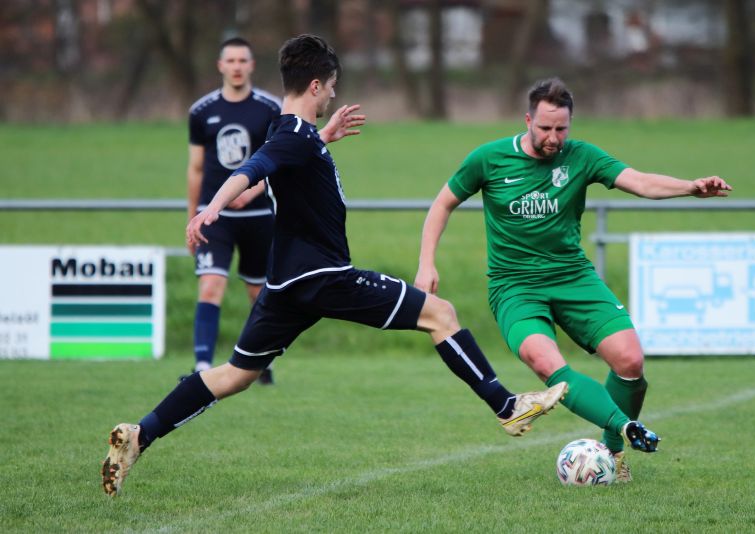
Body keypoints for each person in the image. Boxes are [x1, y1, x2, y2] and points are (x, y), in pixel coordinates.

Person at [101, 35, 568, 497]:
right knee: (440, 314)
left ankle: (141, 434)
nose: (333, 94)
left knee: (236, 375)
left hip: (285, 285)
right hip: (323, 276)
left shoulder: (291, 132)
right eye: (331, 86)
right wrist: (211, 209)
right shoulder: (291, 135)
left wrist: (324, 138)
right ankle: (506, 406)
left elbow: (282, 162)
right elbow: (251, 170)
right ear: (315, 86)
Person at [415, 77, 731, 483]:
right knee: (544, 361)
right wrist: (427, 263)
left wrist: (690, 187)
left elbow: (638, 181)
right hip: (515, 287)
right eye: (545, 128)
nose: (553, 137)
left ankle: (613, 453)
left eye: (561, 128)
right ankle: (625, 429)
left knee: (630, 361)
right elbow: (442, 204)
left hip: (573, 277)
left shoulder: (581, 156)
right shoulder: (489, 159)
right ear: (527, 120)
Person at [187, 37, 364, 385]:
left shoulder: (272, 109)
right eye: (230, 60)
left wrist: (322, 137)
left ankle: (254, 363)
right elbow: (241, 167)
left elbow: (286, 156)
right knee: (210, 287)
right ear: (220, 66)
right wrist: (205, 210)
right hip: (217, 217)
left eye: (243, 60)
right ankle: (202, 365)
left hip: (259, 218)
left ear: (252, 65)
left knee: (260, 293)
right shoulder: (202, 111)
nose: (237, 66)